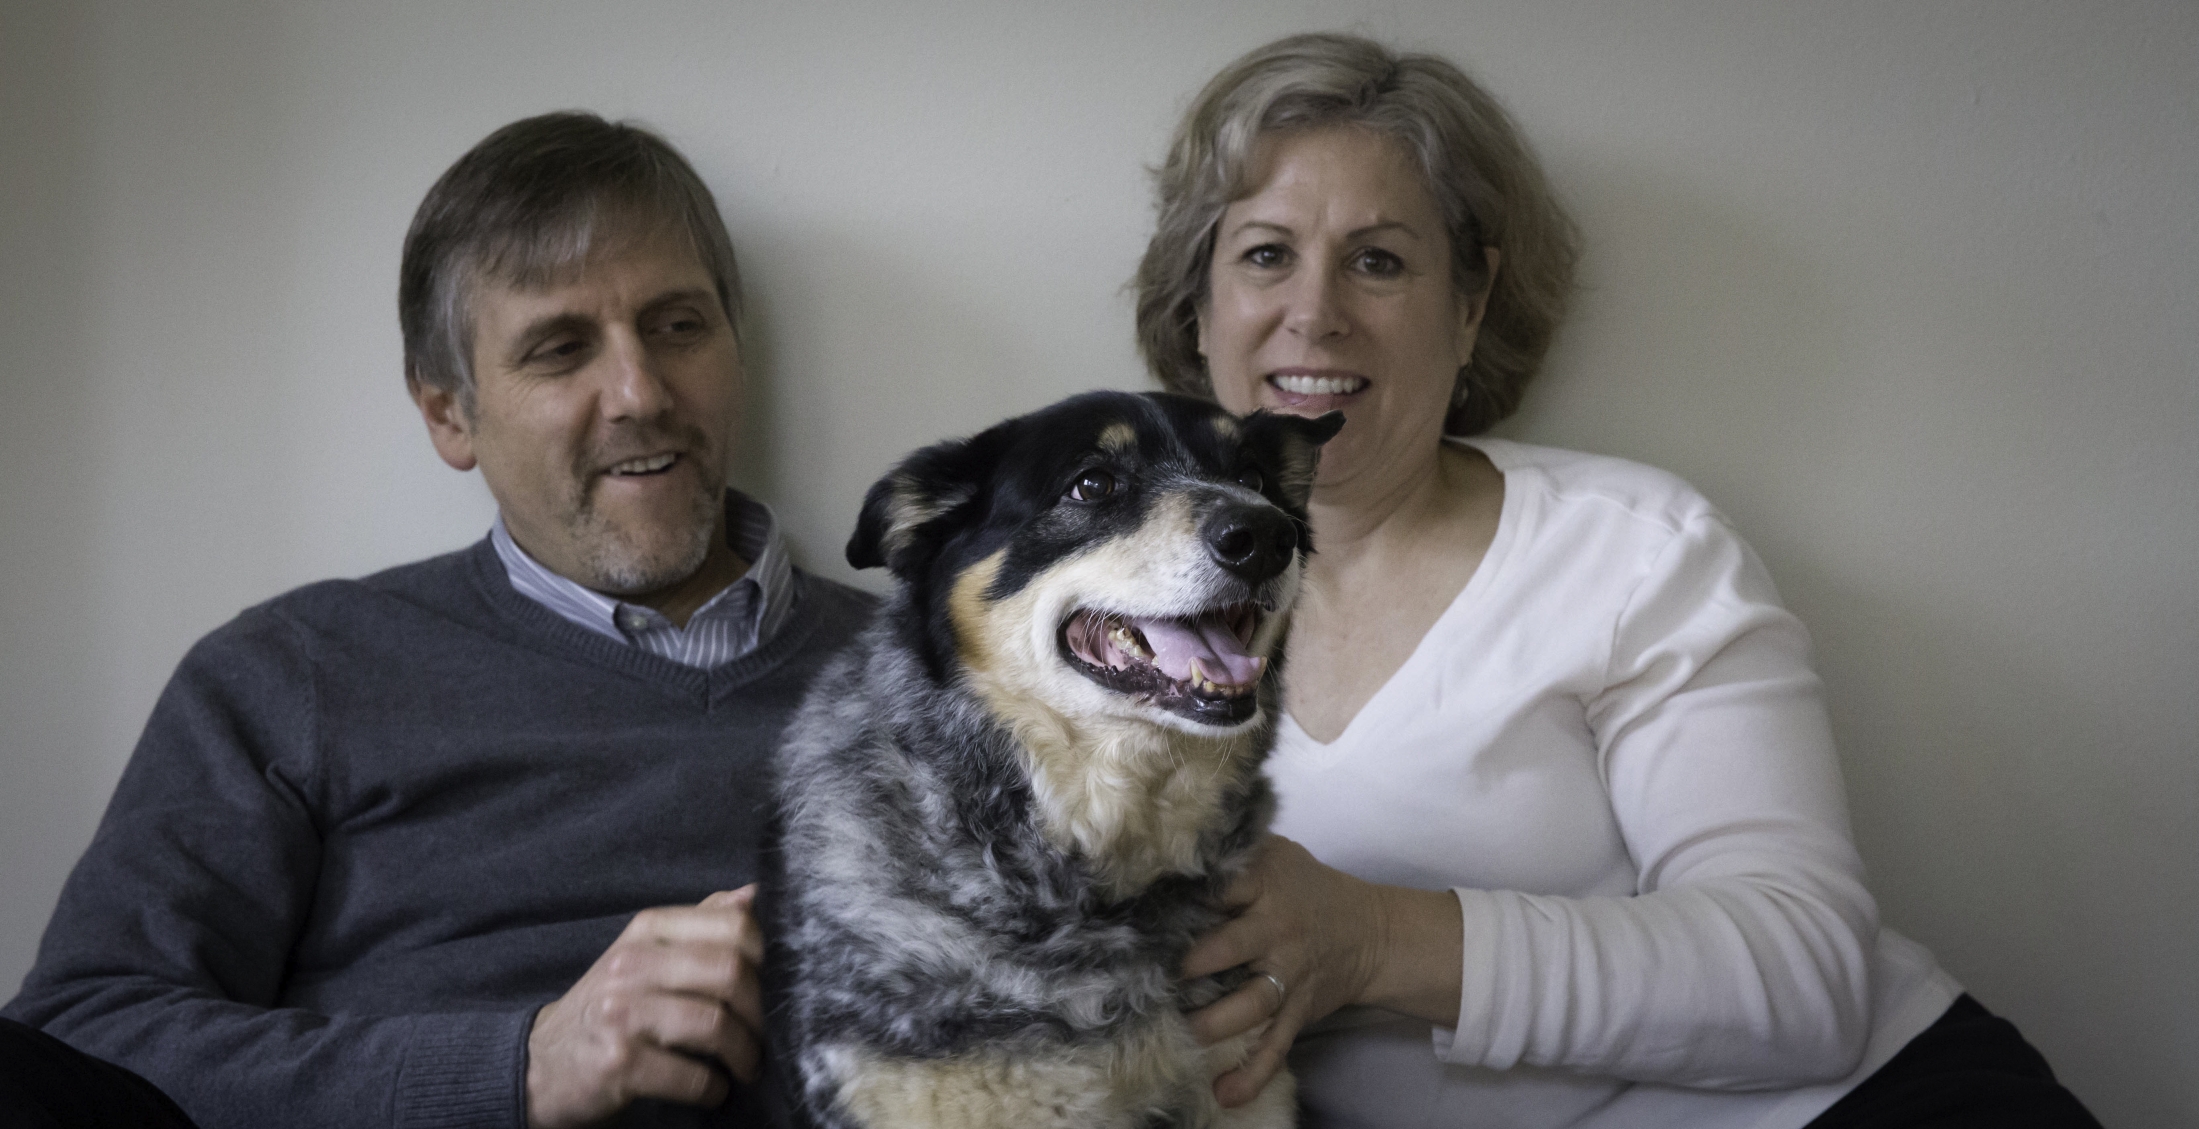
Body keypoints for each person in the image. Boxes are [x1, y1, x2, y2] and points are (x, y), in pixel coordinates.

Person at [1135, 33, 2102, 1129]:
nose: (1315, 315)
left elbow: (1802, 975)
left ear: (1469, 301)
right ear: (1199, 303)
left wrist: (1369, 940)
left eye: (1379, 259)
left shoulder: (1631, 548)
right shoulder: (1084, 614)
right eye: (1266, 254)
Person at [2, 112, 872, 1129]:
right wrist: (524, 1063)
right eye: (560, 349)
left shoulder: (955, 678)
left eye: (679, 326)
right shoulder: (294, 673)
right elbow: (75, 1034)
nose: (639, 392)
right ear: (450, 415)